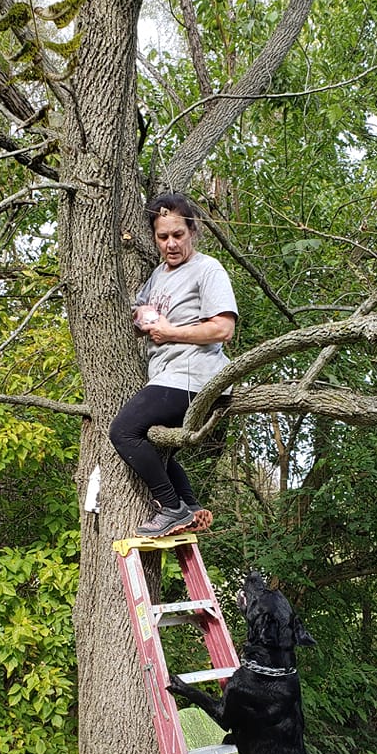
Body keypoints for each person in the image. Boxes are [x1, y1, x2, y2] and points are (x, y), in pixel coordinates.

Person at [109, 192, 238, 538]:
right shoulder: (158, 275)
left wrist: (171, 332)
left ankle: (171, 508)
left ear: (193, 231)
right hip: (168, 375)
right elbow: (140, 313)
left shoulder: (207, 268)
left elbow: (223, 328)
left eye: (178, 235)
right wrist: (142, 317)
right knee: (154, 448)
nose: (171, 244)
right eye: (162, 237)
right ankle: (191, 506)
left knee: (122, 431)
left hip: (194, 375)